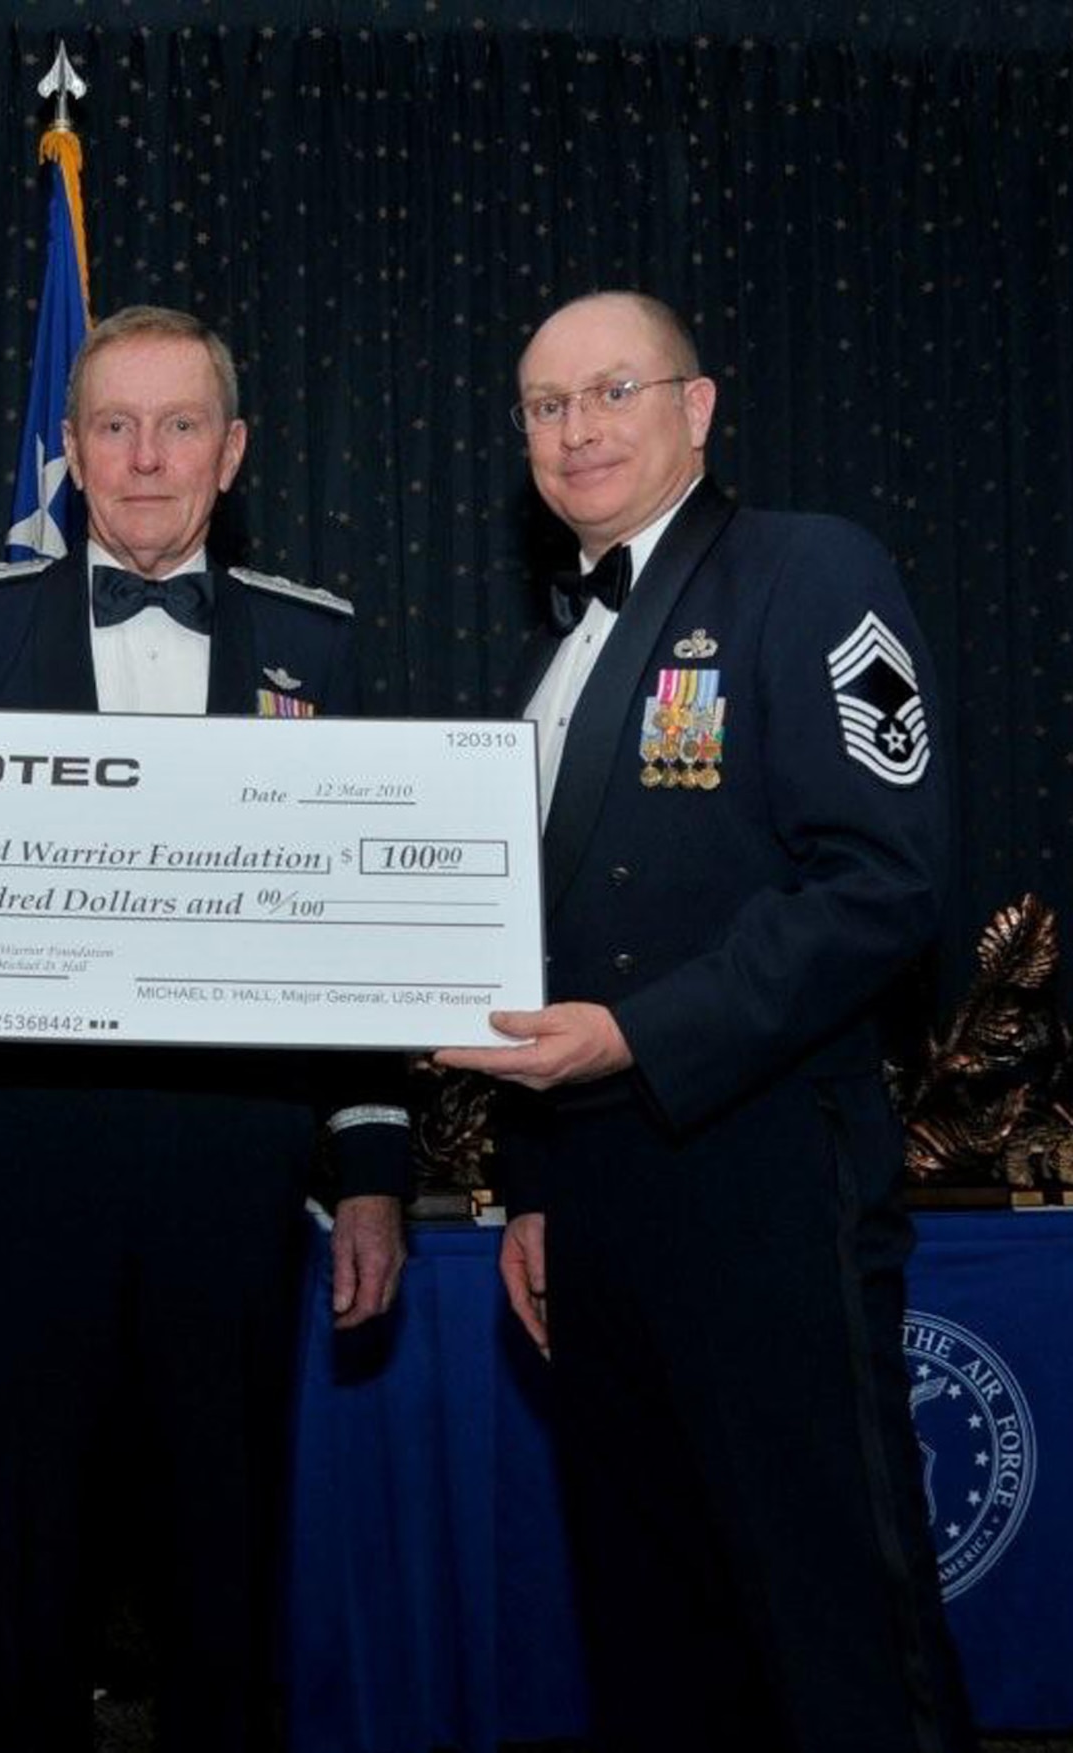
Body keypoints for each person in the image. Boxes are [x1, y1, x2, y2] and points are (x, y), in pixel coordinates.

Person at [0, 305, 412, 1749]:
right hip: (16, 1176)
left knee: (228, 1562)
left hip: (236, 1178)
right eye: (113, 424)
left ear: (230, 452)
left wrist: (368, 1169)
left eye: (178, 427)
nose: (145, 457)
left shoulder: (316, 642)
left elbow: (356, 935)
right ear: (70, 450)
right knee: (24, 1563)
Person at [438, 291, 976, 1753]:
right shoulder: (557, 655)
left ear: (700, 405)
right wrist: (540, 1190)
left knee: (835, 1621)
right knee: (656, 1621)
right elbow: (550, 953)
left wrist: (637, 1035)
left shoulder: (811, 575)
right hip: (604, 1206)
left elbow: (884, 883)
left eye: (614, 389)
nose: (579, 428)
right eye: (547, 407)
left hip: (760, 1190)